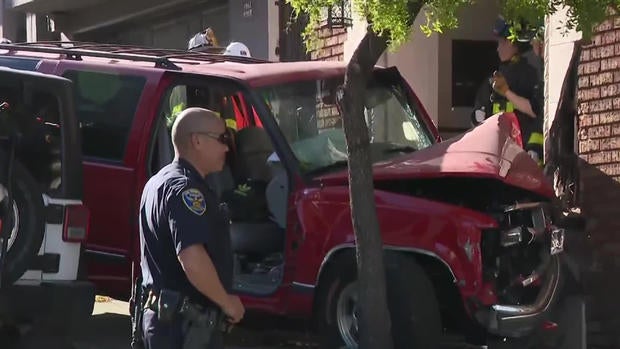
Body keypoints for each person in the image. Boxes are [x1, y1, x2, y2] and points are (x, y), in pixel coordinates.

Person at [138, 107, 245, 349]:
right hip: (183, 329)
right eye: (222, 139)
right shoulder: (185, 191)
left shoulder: (157, 183)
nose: (227, 147)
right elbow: (191, 257)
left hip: (165, 321)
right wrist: (226, 302)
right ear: (197, 140)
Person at [471, 16, 544, 166]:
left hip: (522, 152)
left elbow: (535, 110)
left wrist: (506, 92)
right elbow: (477, 118)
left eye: (502, 42)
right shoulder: (493, 79)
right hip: (497, 155)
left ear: (513, 43)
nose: (498, 48)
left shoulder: (529, 75)